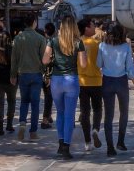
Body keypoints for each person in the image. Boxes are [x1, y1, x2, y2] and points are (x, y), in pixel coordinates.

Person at [45, 15, 85, 160]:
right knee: (69, 114)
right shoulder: (78, 43)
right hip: (72, 80)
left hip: (56, 80)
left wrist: (54, 59)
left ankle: (60, 144)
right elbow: (84, 64)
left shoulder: (53, 41)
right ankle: (66, 148)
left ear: (61, 26)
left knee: (60, 113)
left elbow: (44, 60)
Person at [96, 22, 133, 156]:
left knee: (109, 115)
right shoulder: (126, 47)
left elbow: (98, 64)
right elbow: (130, 67)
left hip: (107, 81)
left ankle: (110, 146)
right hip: (122, 80)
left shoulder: (102, 46)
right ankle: (121, 142)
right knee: (124, 112)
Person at [10, 15, 45, 143]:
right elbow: (44, 59)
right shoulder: (40, 38)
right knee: (35, 104)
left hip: (22, 73)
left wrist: (13, 75)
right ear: (34, 22)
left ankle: (22, 123)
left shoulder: (18, 38)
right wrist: (46, 73)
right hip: (36, 73)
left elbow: (14, 59)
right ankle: (33, 132)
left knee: (24, 101)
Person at [77, 18, 103, 153]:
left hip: (81, 82)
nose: (95, 28)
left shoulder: (76, 43)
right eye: (93, 26)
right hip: (97, 81)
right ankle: (96, 129)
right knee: (97, 109)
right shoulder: (97, 44)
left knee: (84, 112)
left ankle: (87, 142)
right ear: (86, 28)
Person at [40, 21, 56, 129]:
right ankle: (45, 120)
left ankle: (48, 116)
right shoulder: (53, 43)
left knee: (47, 96)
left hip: (42, 72)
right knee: (49, 97)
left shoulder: (41, 42)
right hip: (50, 73)